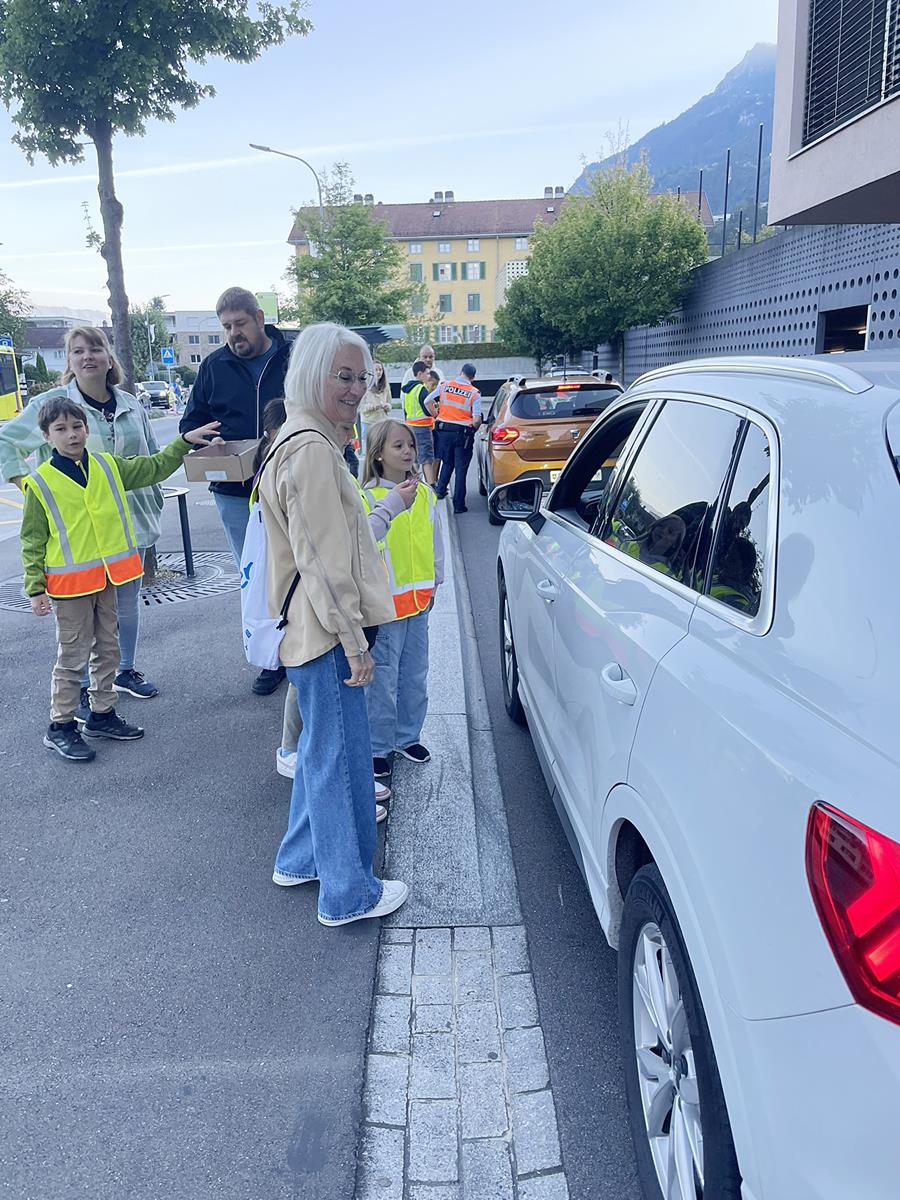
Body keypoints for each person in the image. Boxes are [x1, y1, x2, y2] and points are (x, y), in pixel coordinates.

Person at [257, 321, 409, 927]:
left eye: (360, 377)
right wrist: (354, 643)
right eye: (342, 376)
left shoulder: (302, 439)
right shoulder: (313, 450)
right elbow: (323, 562)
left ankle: (299, 860)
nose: (354, 388)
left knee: (320, 753)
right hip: (326, 634)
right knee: (340, 763)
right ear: (310, 374)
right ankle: (348, 895)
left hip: (308, 630)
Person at [21, 395, 221, 761]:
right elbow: (32, 539)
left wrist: (183, 442)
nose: (72, 435)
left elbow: (154, 467)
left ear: (87, 429)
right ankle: (60, 726)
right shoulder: (41, 483)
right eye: (61, 429)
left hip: (108, 580)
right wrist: (35, 589)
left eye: (77, 426)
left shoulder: (106, 466)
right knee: (73, 657)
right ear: (47, 436)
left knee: (108, 650)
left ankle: (102, 714)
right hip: (71, 588)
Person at [0, 326, 164, 712]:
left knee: (126, 604)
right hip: (80, 533)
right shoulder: (52, 404)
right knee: (84, 614)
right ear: (70, 363)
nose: (87, 356)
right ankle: (86, 690)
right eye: (77, 351)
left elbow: (151, 455)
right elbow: (6, 441)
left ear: (109, 358)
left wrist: (156, 498)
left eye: (95, 348)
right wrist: (30, 486)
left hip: (131, 521)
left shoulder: (130, 403)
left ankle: (123, 671)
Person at [179, 286, 291, 696]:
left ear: (259, 318)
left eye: (239, 324)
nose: (233, 334)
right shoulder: (213, 366)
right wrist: (201, 438)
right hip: (233, 492)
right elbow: (191, 424)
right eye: (226, 327)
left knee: (297, 568)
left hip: (289, 484)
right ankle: (270, 658)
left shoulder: (292, 356)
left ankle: (303, 647)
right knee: (255, 576)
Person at [359, 420, 443, 780]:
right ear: (377, 454)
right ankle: (377, 746)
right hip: (385, 608)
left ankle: (407, 737)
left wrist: (436, 582)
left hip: (419, 604)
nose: (408, 451)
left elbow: (435, 542)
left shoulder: (426, 494)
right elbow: (362, 547)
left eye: (410, 445)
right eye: (398, 446)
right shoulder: (367, 498)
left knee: (415, 675)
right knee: (382, 680)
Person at [429, 363, 482, 514]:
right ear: (473, 378)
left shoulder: (445, 385)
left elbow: (427, 401)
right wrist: (474, 428)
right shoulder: (474, 393)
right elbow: (476, 420)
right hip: (462, 435)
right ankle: (458, 505)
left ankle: (440, 491)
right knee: (461, 469)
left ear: (460, 373)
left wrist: (437, 415)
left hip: (444, 431)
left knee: (447, 462)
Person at [400, 360, 438, 486]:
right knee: (427, 459)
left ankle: (414, 484)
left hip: (410, 427)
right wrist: (436, 412)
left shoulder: (408, 390)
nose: (429, 376)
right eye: (427, 373)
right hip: (422, 428)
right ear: (420, 374)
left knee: (414, 458)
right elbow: (428, 409)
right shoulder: (421, 389)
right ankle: (431, 485)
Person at [359, 360, 392, 451]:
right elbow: (360, 407)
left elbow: (389, 403)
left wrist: (387, 406)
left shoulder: (386, 386)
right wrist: (372, 406)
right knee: (370, 450)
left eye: (380, 370)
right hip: (368, 422)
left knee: (382, 449)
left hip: (382, 422)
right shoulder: (364, 385)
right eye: (376, 370)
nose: (378, 372)